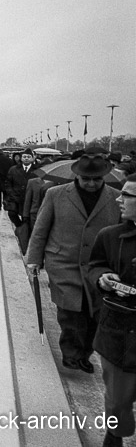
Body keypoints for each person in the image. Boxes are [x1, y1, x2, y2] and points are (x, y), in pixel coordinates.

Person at [26, 154, 120, 373]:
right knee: (70, 313)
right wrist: (34, 259)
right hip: (63, 264)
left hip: (98, 267)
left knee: (94, 314)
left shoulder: (116, 199)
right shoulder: (55, 195)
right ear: (77, 176)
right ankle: (71, 354)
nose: (91, 183)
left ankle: (85, 353)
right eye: (86, 178)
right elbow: (40, 230)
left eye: (96, 179)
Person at [88, 174, 136, 447]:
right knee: (118, 398)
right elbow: (95, 265)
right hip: (118, 331)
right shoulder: (111, 236)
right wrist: (102, 277)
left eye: (127, 195)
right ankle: (115, 434)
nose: (119, 199)